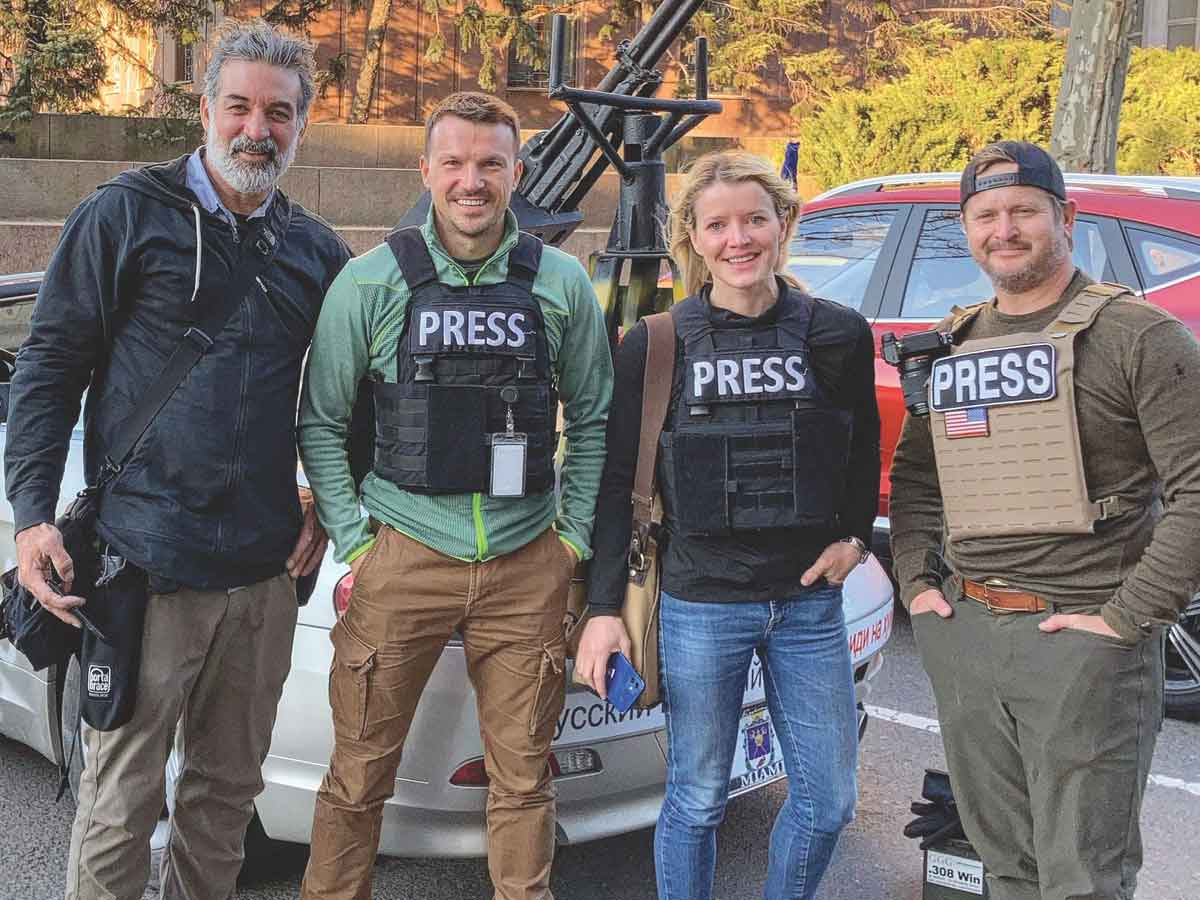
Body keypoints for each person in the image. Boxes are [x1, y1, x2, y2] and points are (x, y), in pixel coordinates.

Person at [3, 19, 351, 900]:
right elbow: (49, 366)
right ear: (205, 109)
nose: (256, 129)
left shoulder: (316, 251)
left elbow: (349, 392)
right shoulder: (125, 212)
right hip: (143, 562)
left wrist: (321, 494)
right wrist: (33, 514)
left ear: (301, 125)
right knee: (119, 800)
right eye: (238, 105)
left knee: (225, 797)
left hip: (262, 575)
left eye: (278, 112)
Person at [296, 91, 612, 900]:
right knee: (358, 778)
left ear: (517, 171)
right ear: (427, 169)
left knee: (523, 783)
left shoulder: (561, 282)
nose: (473, 181)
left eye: (491, 164)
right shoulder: (370, 282)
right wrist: (358, 543)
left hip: (525, 562)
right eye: (457, 163)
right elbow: (322, 422)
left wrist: (570, 540)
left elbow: (596, 415)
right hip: (404, 556)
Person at [889, 140, 1200, 900]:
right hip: (969, 635)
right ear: (965, 229)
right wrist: (920, 590)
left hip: (1085, 645)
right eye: (985, 214)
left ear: (1065, 215)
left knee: (1081, 881)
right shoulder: (950, 345)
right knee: (1004, 872)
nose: (1005, 229)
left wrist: (1127, 619)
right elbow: (918, 480)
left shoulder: (1138, 336)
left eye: (1024, 210)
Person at [575, 150, 880, 900]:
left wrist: (852, 535)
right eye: (718, 224)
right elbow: (618, 486)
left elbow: (862, 451)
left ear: (785, 224)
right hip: (699, 602)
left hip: (807, 606)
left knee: (829, 800)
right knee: (699, 797)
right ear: (694, 237)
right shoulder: (656, 341)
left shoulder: (838, 333)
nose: (738, 238)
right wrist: (602, 608)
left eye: (754, 220)